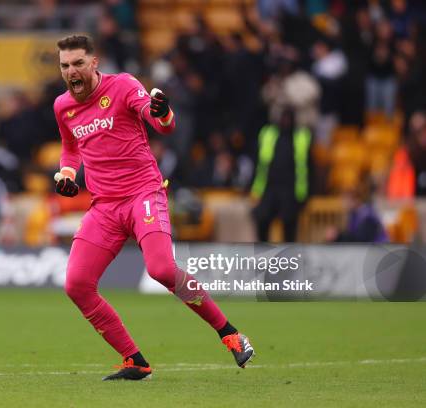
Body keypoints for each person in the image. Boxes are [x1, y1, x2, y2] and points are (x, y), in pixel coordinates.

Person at [52, 35, 254, 381]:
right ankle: (135, 361)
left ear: (94, 63)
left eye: (78, 64)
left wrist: (164, 112)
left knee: (161, 269)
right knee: (77, 284)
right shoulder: (62, 106)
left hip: (143, 194)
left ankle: (229, 333)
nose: (72, 71)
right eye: (65, 66)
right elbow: (70, 148)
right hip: (104, 207)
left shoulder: (124, 86)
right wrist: (68, 174)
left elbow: (160, 121)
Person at [251, 107, 313, 242]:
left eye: (288, 118)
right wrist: (255, 189)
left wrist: (305, 194)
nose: (285, 121)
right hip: (269, 188)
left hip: (290, 189)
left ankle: (288, 258)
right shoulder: (268, 134)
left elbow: (307, 167)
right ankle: (263, 255)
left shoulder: (301, 136)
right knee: (262, 220)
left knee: (289, 226)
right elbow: (259, 163)